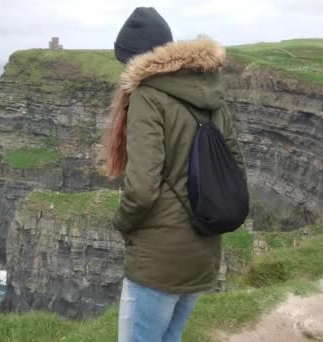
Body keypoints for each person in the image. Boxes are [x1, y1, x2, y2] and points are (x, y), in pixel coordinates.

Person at [104, 7, 247, 342]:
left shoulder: (148, 97)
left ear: (134, 61)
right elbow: (236, 166)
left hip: (159, 257)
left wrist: (121, 223)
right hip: (204, 246)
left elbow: (141, 189)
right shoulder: (211, 94)